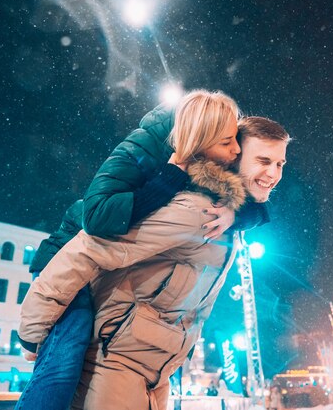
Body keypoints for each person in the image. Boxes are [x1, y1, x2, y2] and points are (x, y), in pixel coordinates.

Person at [16, 90, 268, 410]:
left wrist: (239, 213)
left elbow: (242, 199)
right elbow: (95, 220)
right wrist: (31, 331)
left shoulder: (199, 164)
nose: (234, 152)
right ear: (199, 137)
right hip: (67, 249)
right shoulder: (149, 147)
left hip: (99, 260)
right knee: (62, 363)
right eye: (226, 142)